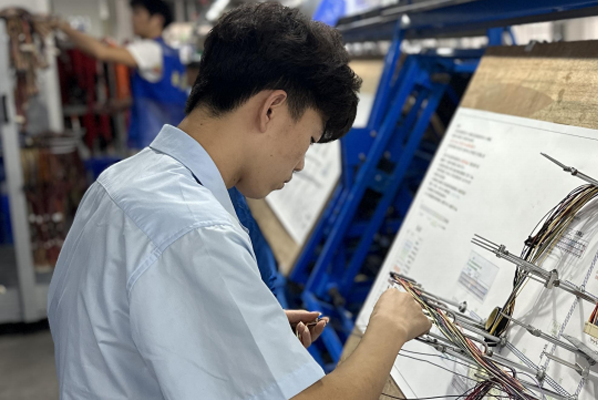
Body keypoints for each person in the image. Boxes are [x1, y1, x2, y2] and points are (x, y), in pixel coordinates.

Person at [47, 3, 431, 400]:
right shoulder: (196, 230)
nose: (301, 163)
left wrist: (244, 331)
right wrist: (389, 328)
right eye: (309, 140)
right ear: (271, 109)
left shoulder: (121, 180)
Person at [52, 0, 188, 150]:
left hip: (152, 140)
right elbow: (160, 94)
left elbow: (101, 52)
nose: (132, 18)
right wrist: (122, 103)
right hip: (173, 137)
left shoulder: (150, 49)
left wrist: (61, 26)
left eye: (138, 13)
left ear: (157, 19)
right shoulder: (171, 53)